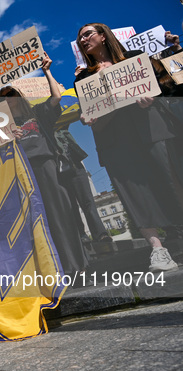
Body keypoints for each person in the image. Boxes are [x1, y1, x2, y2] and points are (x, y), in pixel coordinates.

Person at [75, 23, 183, 272]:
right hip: (115, 141)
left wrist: (149, 98)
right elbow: (92, 116)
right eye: (80, 37)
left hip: (149, 129)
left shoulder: (135, 59)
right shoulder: (83, 78)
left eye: (87, 34)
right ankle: (158, 249)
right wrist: (88, 117)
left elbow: (165, 83)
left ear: (103, 36)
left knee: (171, 180)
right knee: (133, 192)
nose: (83, 39)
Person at [0, 54, 88, 277]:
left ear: (18, 97)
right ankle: (56, 269)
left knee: (62, 215)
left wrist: (47, 71)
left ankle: (77, 265)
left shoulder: (37, 113)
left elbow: (56, 98)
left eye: (9, 95)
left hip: (49, 169)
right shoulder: (4, 127)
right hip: (24, 174)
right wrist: (9, 137)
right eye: (2, 98)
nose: (6, 99)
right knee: (41, 220)